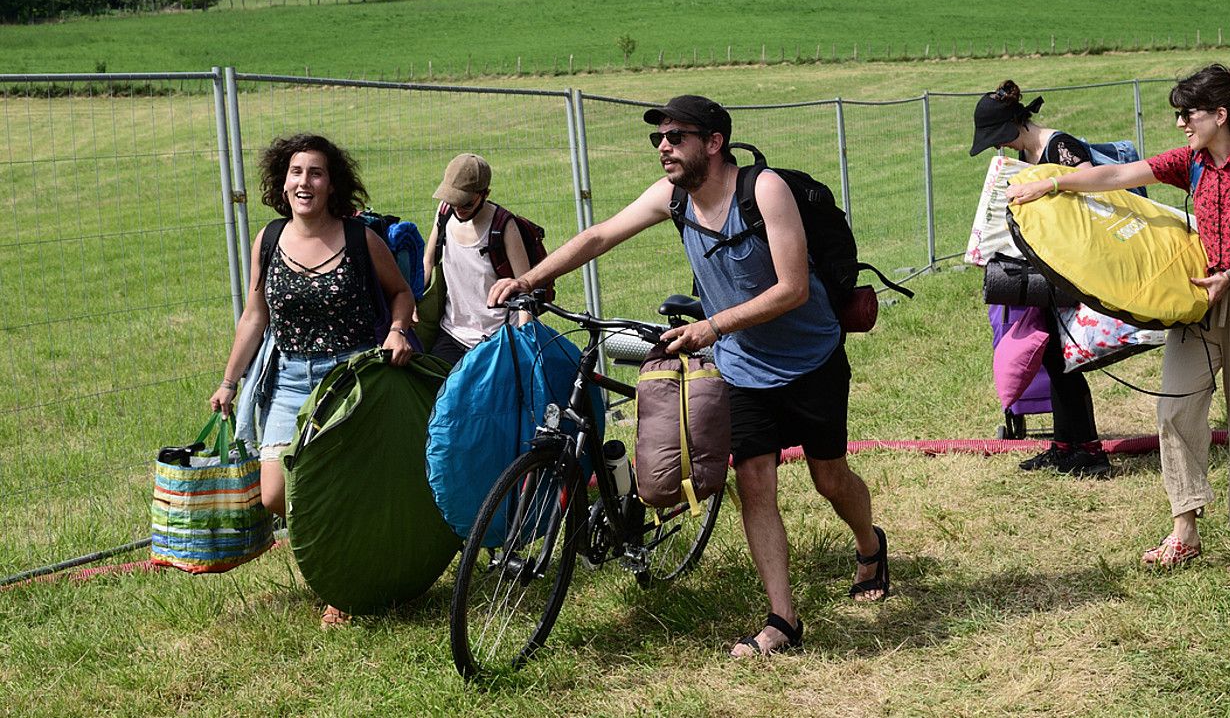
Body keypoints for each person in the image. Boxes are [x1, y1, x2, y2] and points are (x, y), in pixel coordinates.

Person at [488, 95, 889, 656]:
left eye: (675, 137)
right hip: (743, 368)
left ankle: (870, 546)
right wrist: (529, 278)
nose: (663, 147)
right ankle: (783, 619)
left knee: (829, 479)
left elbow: (793, 288)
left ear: (714, 142)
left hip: (809, 360)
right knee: (755, 486)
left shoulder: (763, 190)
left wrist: (712, 327)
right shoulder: (674, 198)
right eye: (659, 139)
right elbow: (600, 235)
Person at [1005, 64, 1230, 572]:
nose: (1182, 123)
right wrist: (1054, 184)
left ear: (1220, 114)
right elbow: (1120, 174)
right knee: (1175, 412)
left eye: (1188, 113)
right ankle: (1184, 529)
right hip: (1194, 298)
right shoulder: (1190, 160)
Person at [209, 133, 415, 624]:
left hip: (349, 378)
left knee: (341, 483)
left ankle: (342, 585)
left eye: (316, 173)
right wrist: (229, 382)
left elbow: (402, 294)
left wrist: (398, 331)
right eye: (297, 172)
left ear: (331, 184)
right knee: (276, 493)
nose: (305, 181)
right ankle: (348, 562)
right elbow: (255, 316)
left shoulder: (361, 239)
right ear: (283, 183)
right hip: (289, 379)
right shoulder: (269, 239)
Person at [969, 80, 1110, 478]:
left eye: (1000, 137)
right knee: (1054, 359)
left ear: (1017, 124)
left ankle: (1091, 453)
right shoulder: (1027, 155)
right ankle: (1065, 446)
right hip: (1049, 266)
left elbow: (1094, 181)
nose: (1000, 146)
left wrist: (1047, 183)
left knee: (1068, 362)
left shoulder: (1058, 145)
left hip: (1075, 266)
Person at [420, 152, 531, 366]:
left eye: (466, 204)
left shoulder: (503, 226)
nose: (458, 209)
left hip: (496, 340)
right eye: (453, 201)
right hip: (451, 334)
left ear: (485, 194)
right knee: (436, 395)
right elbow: (428, 261)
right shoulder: (444, 212)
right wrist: (411, 298)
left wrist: (523, 340)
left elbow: (525, 289)